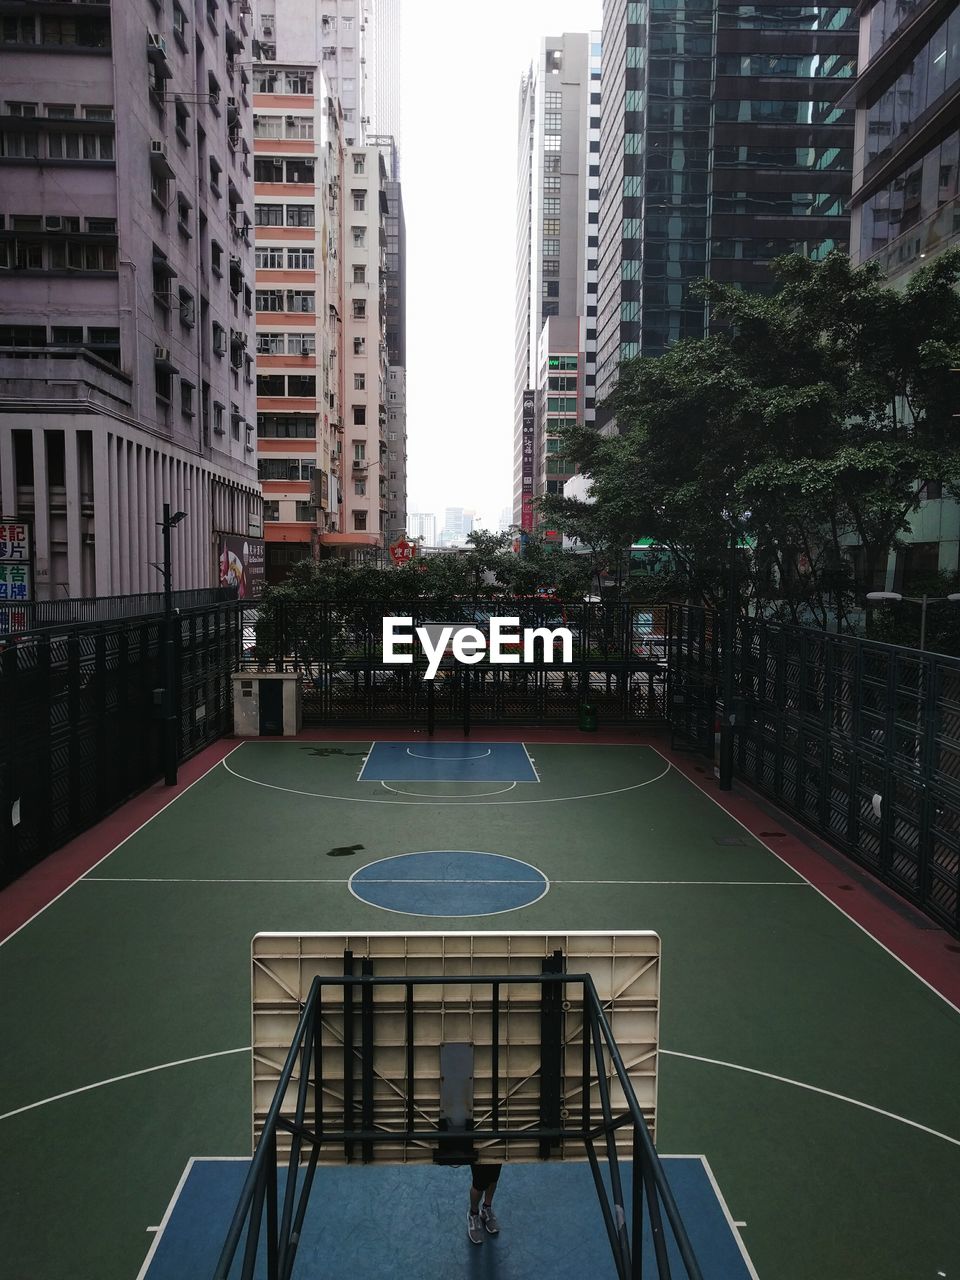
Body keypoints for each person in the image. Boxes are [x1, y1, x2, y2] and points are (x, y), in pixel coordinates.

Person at [467, 1162, 501, 1244]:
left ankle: (486, 1208)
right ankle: (473, 1213)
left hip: (496, 1150)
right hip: (478, 1150)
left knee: (493, 1178)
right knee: (479, 1185)